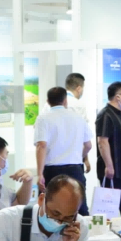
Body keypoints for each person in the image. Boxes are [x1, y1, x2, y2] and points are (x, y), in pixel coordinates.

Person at [34, 86, 92, 215]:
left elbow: (41, 146)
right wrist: (80, 157)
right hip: (75, 169)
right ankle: (82, 228)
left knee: (49, 209)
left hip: (52, 171)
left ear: (48, 101)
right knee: (79, 207)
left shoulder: (43, 118)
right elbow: (88, 145)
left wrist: (40, 174)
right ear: (65, 100)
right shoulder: (78, 117)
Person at [96, 81, 121, 218]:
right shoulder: (106, 115)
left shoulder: (119, 114)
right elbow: (102, 141)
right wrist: (109, 166)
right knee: (108, 211)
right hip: (113, 172)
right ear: (118, 97)